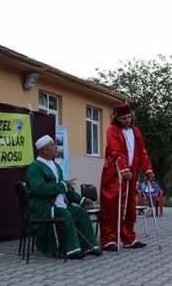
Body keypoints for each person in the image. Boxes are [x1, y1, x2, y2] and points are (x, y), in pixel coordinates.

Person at [25, 135, 101, 259]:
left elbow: (65, 190)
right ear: (44, 150)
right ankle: (71, 250)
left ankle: (89, 247)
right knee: (65, 214)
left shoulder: (56, 167)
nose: (56, 147)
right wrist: (62, 185)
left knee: (81, 213)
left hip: (60, 206)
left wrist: (81, 200)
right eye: (53, 145)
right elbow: (39, 189)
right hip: (44, 208)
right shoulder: (35, 167)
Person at [99, 103, 153, 251]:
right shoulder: (112, 130)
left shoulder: (136, 131)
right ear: (117, 117)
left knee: (129, 207)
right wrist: (123, 169)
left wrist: (148, 170)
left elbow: (142, 152)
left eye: (129, 117)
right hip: (114, 175)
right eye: (124, 118)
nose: (127, 120)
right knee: (112, 206)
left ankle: (128, 237)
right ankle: (109, 239)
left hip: (131, 175)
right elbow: (115, 151)